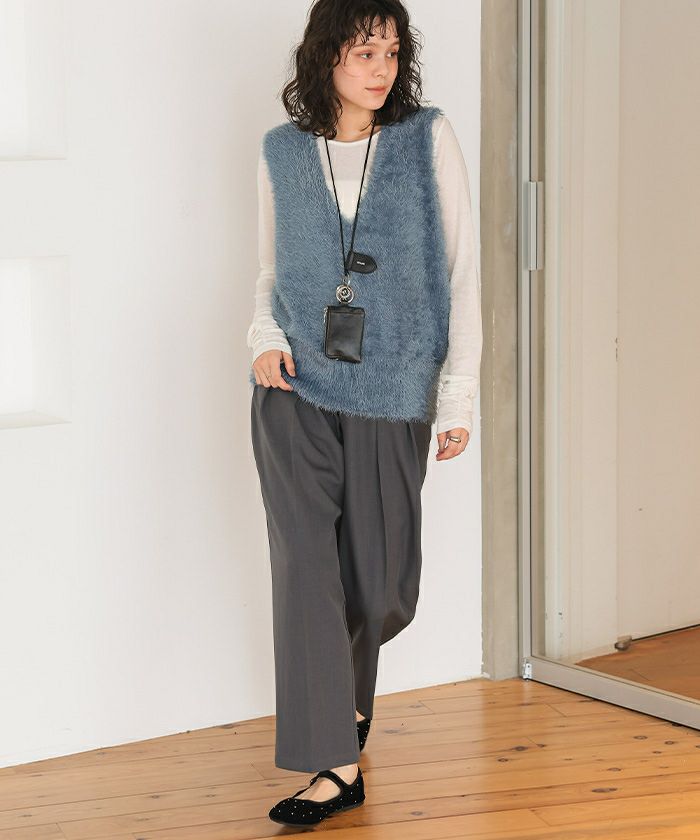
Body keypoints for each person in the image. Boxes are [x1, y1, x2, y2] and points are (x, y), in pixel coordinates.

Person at [246, 0, 482, 827]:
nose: (381, 69)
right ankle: (335, 767)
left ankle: (344, 706)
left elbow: (462, 273)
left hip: (393, 389)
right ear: (326, 57)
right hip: (294, 388)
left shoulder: (426, 138)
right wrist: (262, 339)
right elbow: (269, 272)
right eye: (363, 52)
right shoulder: (282, 151)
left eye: (391, 51)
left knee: (379, 584)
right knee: (306, 573)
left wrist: (456, 395)